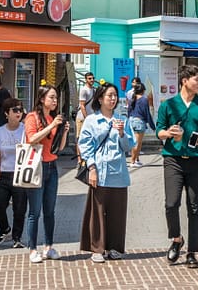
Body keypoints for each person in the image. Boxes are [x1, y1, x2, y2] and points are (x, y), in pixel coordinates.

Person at [155, 64, 198, 268]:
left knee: (194, 206)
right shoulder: (168, 105)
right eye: (196, 80)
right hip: (172, 158)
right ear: (184, 81)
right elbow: (159, 131)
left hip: (196, 160)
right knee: (171, 203)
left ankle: (192, 251)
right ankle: (176, 239)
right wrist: (169, 133)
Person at [79, 83, 135, 263]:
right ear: (100, 98)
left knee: (117, 212)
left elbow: (128, 146)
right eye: (109, 95)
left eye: (115, 96)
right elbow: (85, 146)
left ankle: (115, 247)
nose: (112, 99)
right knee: (97, 211)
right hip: (100, 171)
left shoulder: (122, 120)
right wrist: (91, 168)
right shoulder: (92, 120)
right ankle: (97, 248)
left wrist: (121, 133)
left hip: (118, 172)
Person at [23, 85, 69, 264]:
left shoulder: (52, 118)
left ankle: (48, 246)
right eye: (51, 97)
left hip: (52, 165)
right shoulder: (32, 117)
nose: (55, 101)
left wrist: (63, 132)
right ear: (42, 99)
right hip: (36, 165)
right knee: (34, 211)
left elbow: (59, 148)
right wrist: (52, 125)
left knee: (50, 210)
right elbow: (32, 138)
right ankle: (32, 248)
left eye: (56, 98)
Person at [0, 97, 28, 248]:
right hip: (4, 173)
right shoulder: (0, 132)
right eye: (15, 110)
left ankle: (17, 237)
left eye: (20, 110)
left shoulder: (25, 130)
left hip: (20, 173)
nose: (19, 113)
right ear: (7, 113)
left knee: (19, 208)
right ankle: (4, 228)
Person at [126, 80, 154, 168]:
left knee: (135, 142)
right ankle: (133, 161)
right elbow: (147, 113)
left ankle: (136, 159)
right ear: (142, 90)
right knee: (138, 143)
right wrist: (152, 125)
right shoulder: (144, 100)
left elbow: (129, 111)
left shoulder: (132, 99)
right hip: (139, 121)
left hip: (131, 120)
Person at [74, 72, 96, 160]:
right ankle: (79, 159)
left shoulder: (94, 90)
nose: (92, 80)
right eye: (90, 78)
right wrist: (86, 117)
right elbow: (82, 105)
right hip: (82, 118)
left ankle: (87, 157)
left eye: (93, 78)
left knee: (90, 138)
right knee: (80, 138)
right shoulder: (84, 90)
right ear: (86, 79)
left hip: (91, 117)